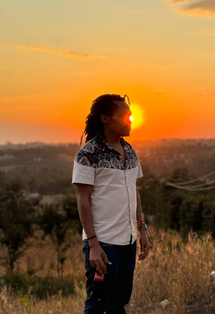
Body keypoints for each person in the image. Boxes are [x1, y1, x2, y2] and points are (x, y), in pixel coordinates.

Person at [72, 94, 150, 314]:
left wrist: (141, 229)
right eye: (125, 116)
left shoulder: (131, 151)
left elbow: (134, 191)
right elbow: (83, 201)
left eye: (131, 116)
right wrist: (94, 246)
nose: (130, 120)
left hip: (128, 241)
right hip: (104, 244)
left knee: (119, 305)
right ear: (105, 119)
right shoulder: (88, 154)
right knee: (97, 306)